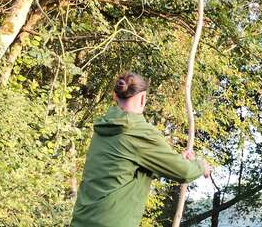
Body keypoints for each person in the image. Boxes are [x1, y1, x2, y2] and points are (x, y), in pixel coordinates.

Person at [70, 72, 211, 227]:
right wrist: (200, 165)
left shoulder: (102, 128)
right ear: (143, 97)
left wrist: (175, 161)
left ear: (115, 96)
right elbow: (184, 172)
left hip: (81, 221)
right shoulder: (139, 131)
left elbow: (125, 172)